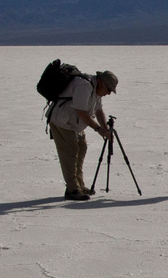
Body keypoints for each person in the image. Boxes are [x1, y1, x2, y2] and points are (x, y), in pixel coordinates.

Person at [48, 69, 118, 201]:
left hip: (74, 124)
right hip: (62, 122)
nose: (108, 93)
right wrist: (99, 129)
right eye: (109, 90)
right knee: (70, 152)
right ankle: (72, 189)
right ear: (102, 83)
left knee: (81, 148)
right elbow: (81, 112)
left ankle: (79, 185)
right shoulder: (84, 86)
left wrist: (105, 128)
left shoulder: (96, 91)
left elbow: (98, 110)